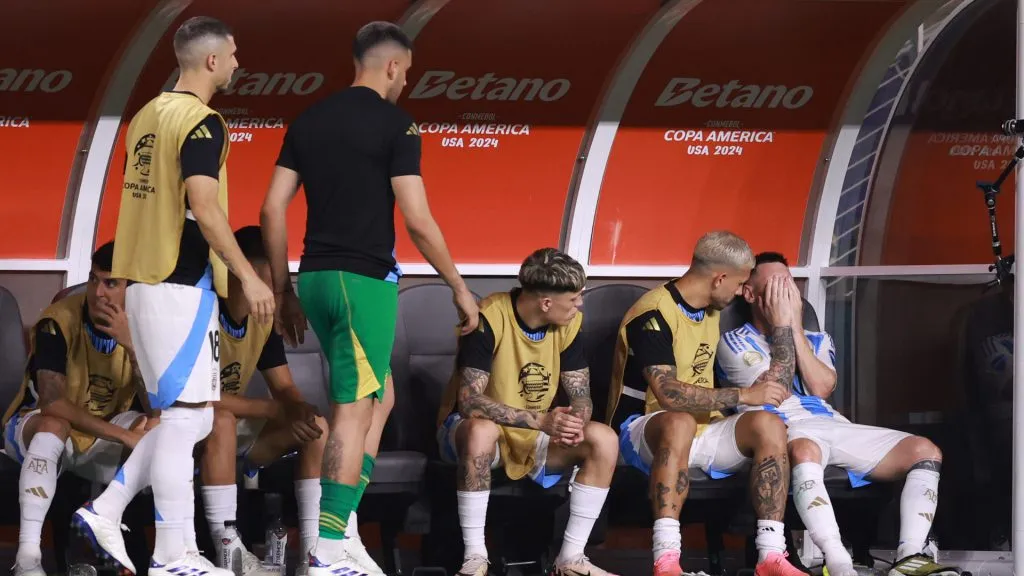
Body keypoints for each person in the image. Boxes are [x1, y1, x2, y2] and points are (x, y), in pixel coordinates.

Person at [260, 21, 478, 576]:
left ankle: (344, 531)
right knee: (353, 410)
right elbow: (418, 219)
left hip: (315, 279)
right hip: (362, 284)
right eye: (408, 72)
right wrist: (457, 286)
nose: (406, 81)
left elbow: (271, 209)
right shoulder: (397, 124)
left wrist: (285, 289)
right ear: (393, 66)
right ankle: (327, 548)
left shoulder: (309, 120)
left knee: (380, 400)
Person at [73, 16, 273, 576]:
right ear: (210, 61)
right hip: (176, 285)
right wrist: (249, 276)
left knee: (194, 421)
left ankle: (107, 511)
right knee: (185, 421)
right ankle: (172, 553)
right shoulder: (203, 122)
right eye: (233, 53)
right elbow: (204, 207)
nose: (237, 62)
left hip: (151, 283)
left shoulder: (147, 114)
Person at [715, 252, 961, 576]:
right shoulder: (733, 341)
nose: (784, 294)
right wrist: (780, 327)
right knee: (805, 450)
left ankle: (910, 556)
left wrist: (794, 328)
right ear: (749, 293)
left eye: (788, 285)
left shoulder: (817, 339)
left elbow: (821, 387)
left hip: (830, 422)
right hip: (776, 428)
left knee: (924, 450)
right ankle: (838, 561)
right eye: (774, 286)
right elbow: (776, 388)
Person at [607, 231, 803, 576]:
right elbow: (668, 394)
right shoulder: (652, 313)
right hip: (644, 430)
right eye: (741, 283)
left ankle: (771, 556)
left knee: (769, 423)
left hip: (703, 427)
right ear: (719, 278)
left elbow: (775, 384)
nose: (743, 292)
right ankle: (666, 558)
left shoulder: (711, 310)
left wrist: (784, 322)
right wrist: (743, 395)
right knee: (678, 419)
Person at [436, 248, 618, 576]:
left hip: (535, 433)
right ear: (546, 303)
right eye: (575, 298)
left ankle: (571, 558)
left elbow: (581, 392)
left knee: (602, 438)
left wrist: (577, 420)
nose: (579, 305)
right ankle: (475, 557)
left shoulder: (569, 323)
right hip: (471, 435)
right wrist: (542, 421)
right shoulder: (488, 316)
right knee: (481, 429)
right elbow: (470, 402)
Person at [2, 242, 151, 576]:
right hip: (37, 428)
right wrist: (123, 437)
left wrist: (133, 347)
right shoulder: (58, 320)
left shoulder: (144, 325)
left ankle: (111, 528)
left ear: (134, 288)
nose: (98, 292)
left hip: (102, 430)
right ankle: (28, 557)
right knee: (53, 424)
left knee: (155, 428)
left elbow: (157, 407)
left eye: (111, 283)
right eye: (94, 279)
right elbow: (52, 402)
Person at [199, 226, 327, 576]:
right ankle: (228, 547)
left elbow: (283, 388)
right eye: (272, 276)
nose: (278, 288)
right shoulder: (201, 309)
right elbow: (198, 397)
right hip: (191, 428)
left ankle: (313, 553)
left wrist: (297, 409)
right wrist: (273, 408)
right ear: (244, 272)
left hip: (232, 427)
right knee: (220, 420)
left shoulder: (263, 319)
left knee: (317, 427)